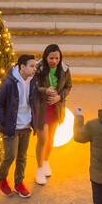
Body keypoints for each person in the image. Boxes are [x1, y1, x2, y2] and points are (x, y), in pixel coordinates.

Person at [0, 54, 38, 197]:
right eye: (31, 66)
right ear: (22, 67)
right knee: (10, 156)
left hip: (26, 126)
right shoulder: (8, 83)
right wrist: (4, 122)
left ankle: (19, 183)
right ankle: (1, 179)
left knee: (22, 157)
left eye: (35, 66)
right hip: (12, 127)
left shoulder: (33, 81)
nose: (34, 69)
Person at [33, 43, 73, 185]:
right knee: (42, 139)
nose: (54, 61)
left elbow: (68, 86)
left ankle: (45, 162)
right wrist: (45, 90)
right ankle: (38, 169)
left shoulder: (65, 69)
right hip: (42, 108)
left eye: (57, 58)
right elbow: (34, 86)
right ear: (46, 56)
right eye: (51, 58)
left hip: (56, 108)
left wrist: (59, 97)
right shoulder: (38, 68)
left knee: (51, 139)